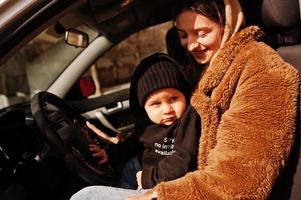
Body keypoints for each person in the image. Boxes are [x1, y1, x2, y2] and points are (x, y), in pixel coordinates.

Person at [70, 0, 300, 199]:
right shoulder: (199, 70)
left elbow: (241, 178)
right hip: (181, 182)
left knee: (87, 196)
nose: (190, 45)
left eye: (202, 33)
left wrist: (157, 194)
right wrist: (125, 144)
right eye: (182, 35)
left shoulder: (263, 71)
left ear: (226, 23)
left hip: (205, 193)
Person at [83, 53, 201, 190]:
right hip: (137, 166)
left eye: (173, 99)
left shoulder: (188, 120)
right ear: (144, 107)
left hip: (158, 177)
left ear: (185, 96)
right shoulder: (146, 123)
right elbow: (133, 143)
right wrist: (109, 154)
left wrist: (148, 178)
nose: (167, 109)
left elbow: (183, 159)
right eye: (156, 104)